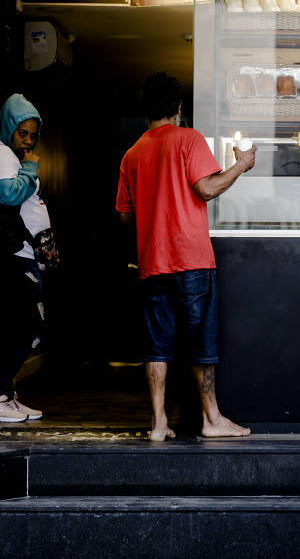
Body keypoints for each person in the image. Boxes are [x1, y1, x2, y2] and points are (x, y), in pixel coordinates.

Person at [116, 73, 256, 441]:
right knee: (201, 342)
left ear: (147, 111)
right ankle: (211, 419)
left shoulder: (132, 154)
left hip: (152, 263)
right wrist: (242, 165)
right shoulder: (188, 139)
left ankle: (159, 423)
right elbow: (207, 188)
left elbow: (125, 214)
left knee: (157, 345)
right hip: (190, 258)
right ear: (178, 109)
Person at [0, 94, 48, 423]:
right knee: (26, 326)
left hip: (19, 254)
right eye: (22, 132)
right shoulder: (1, 154)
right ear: (9, 127)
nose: (27, 139)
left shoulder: (9, 154)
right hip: (10, 256)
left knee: (19, 326)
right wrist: (32, 167)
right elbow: (8, 194)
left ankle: (4, 393)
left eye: (32, 134)